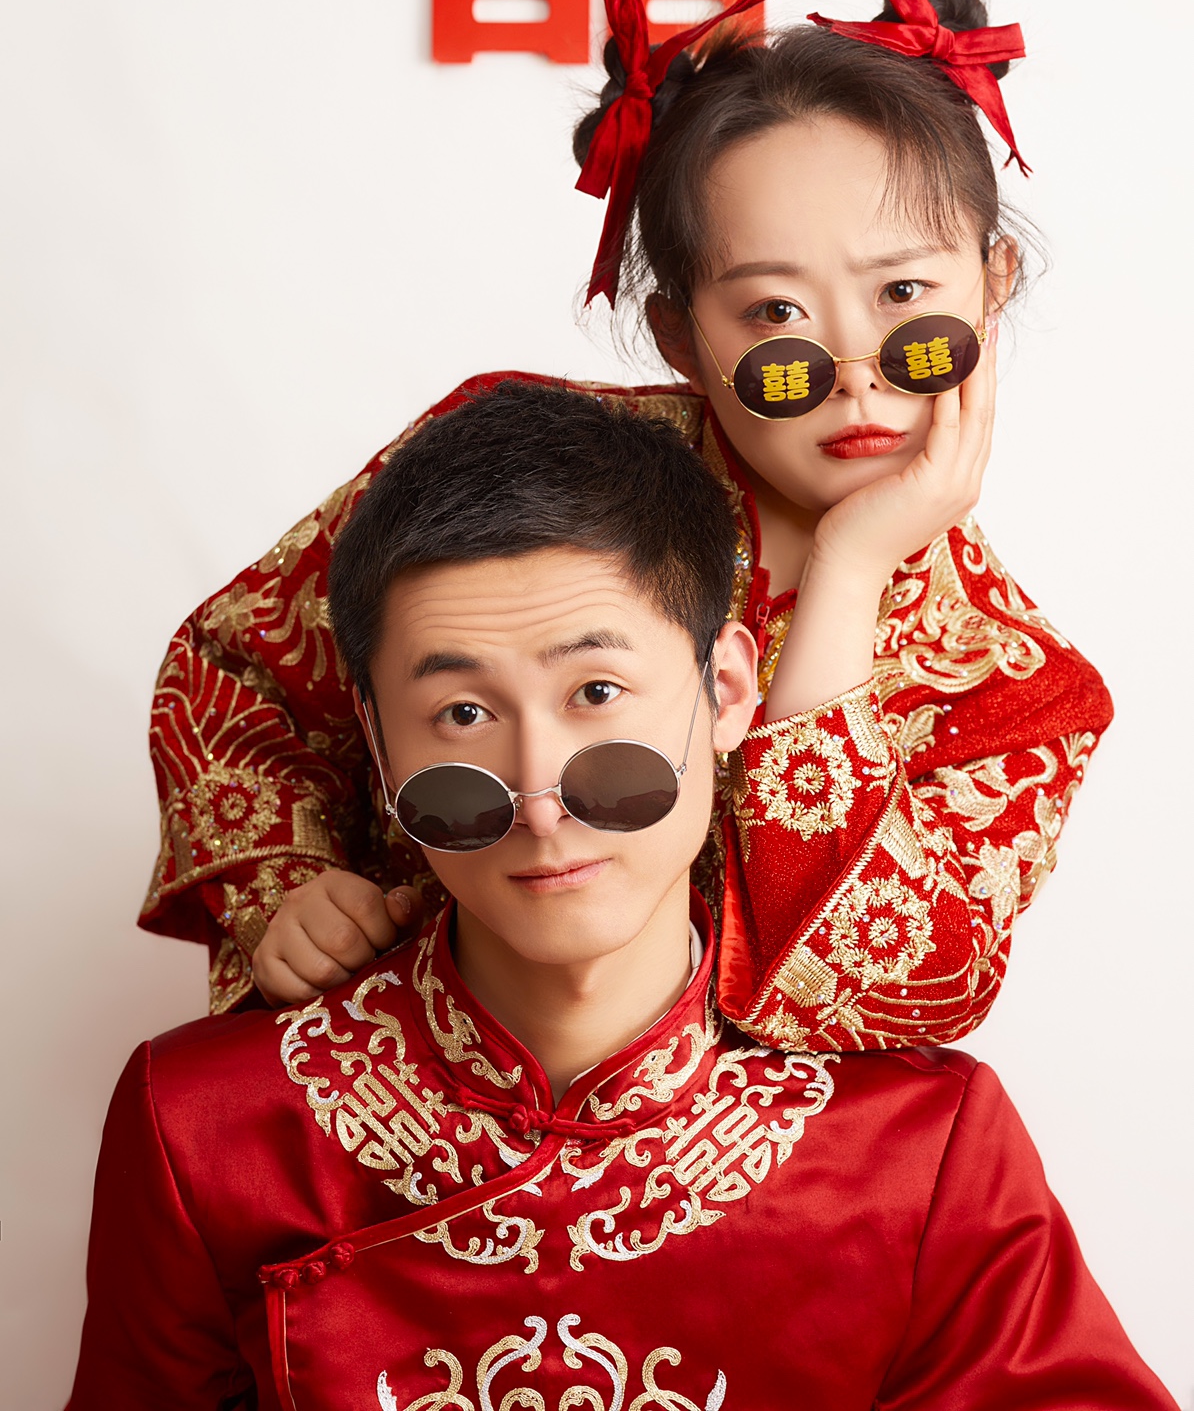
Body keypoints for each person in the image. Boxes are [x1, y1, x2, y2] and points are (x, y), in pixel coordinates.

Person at [70, 383, 1171, 1411]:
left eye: (596, 690)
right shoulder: (205, 1126)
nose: (540, 798)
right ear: (376, 737)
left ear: (727, 690)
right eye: (462, 715)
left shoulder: (922, 1152)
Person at [142, 0, 1112, 1052]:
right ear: (679, 335)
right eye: (775, 313)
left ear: (993, 279)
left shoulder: (1022, 693)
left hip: (737, 1148)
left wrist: (847, 575)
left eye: (903, 295)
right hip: (410, 1080)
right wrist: (287, 882)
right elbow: (238, 668)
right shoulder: (512, 466)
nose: (853, 373)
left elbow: (873, 993)